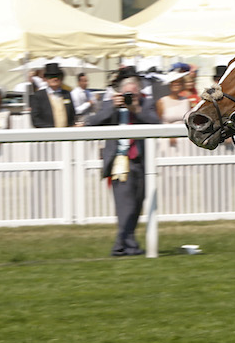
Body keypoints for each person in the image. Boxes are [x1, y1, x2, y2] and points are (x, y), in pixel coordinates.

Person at [86, 74, 160, 256]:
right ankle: (123, 246)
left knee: (137, 204)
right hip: (119, 161)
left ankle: (126, 245)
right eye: (127, 94)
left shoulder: (145, 104)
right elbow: (93, 122)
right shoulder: (110, 104)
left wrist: (135, 108)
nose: (130, 97)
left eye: (134, 94)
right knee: (125, 205)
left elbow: (156, 122)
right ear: (120, 92)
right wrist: (113, 106)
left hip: (140, 161)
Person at [30, 62, 75, 128]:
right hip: (47, 134)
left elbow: (72, 114)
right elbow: (35, 118)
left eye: (58, 76)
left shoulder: (67, 94)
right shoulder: (38, 95)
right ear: (46, 79)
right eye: (51, 76)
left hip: (66, 133)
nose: (55, 79)